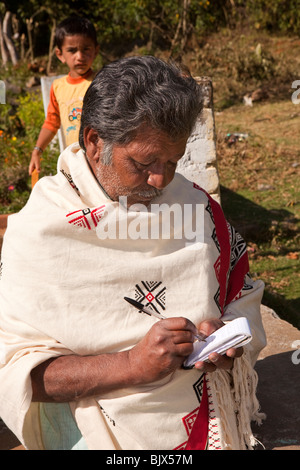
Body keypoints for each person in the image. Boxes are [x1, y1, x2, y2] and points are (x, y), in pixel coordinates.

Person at [0, 56, 266, 451]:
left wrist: (226, 336)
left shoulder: (196, 207)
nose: (160, 179)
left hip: (208, 421)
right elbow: (16, 370)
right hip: (90, 425)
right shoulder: (40, 230)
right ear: (94, 142)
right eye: (143, 163)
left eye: (172, 162)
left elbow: (240, 290)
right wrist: (130, 366)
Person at [28, 16, 99, 176]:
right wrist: (37, 151)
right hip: (74, 162)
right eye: (72, 50)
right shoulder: (58, 87)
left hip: (100, 159)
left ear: (96, 50)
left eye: (86, 49)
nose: (79, 56)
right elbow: (51, 122)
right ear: (60, 54)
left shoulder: (101, 82)